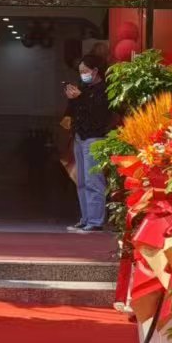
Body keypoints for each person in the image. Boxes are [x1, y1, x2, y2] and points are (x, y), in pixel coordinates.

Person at [63, 52, 113, 232]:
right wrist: (72, 99)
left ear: (95, 71)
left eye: (85, 71)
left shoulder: (104, 90)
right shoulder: (82, 88)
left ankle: (95, 220)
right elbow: (71, 113)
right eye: (80, 72)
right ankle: (85, 218)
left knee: (94, 180)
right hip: (79, 136)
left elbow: (99, 114)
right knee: (82, 180)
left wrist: (80, 98)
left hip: (95, 138)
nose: (82, 75)